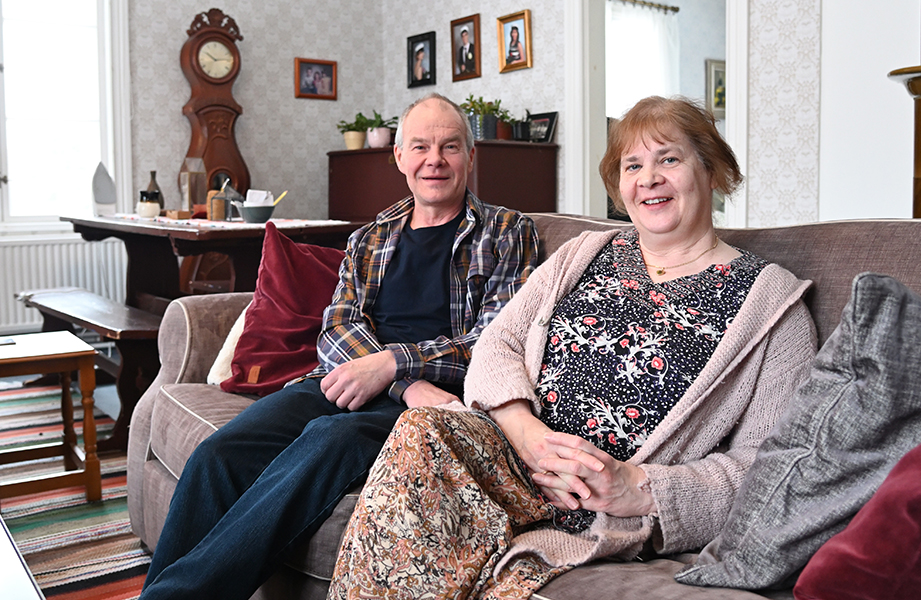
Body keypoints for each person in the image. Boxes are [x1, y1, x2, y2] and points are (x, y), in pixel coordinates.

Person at [329, 95, 817, 599]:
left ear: (711, 172)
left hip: (601, 512)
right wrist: (524, 432)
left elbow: (775, 468)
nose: (648, 177)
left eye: (668, 159)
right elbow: (498, 344)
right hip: (511, 464)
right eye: (633, 164)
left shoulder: (772, 305)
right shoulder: (585, 252)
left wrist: (637, 487)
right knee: (422, 428)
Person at [139, 93, 540, 600]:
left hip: (437, 407)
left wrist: (394, 365)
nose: (434, 160)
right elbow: (335, 330)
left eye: (449, 146)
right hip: (359, 384)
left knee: (329, 440)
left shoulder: (507, 232)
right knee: (218, 455)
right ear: (399, 157)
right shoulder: (369, 237)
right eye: (420, 146)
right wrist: (401, 383)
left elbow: (492, 342)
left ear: (470, 156)